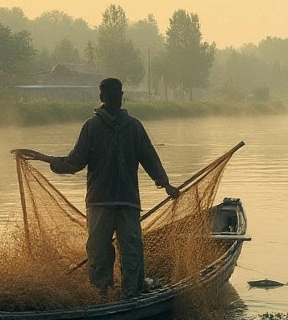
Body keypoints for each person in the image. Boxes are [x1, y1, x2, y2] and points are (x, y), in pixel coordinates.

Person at [17, 77, 181, 298]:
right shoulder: (92, 127)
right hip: (100, 202)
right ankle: (101, 296)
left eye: (118, 95)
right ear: (103, 98)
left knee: (132, 251)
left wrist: (165, 184)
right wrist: (44, 158)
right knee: (98, 252)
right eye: (111, 96)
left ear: (122, 97)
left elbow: (150, 158)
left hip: (127, 202)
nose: (116, 99)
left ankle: (132, 294)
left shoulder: (133, 127)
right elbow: (75, 162)